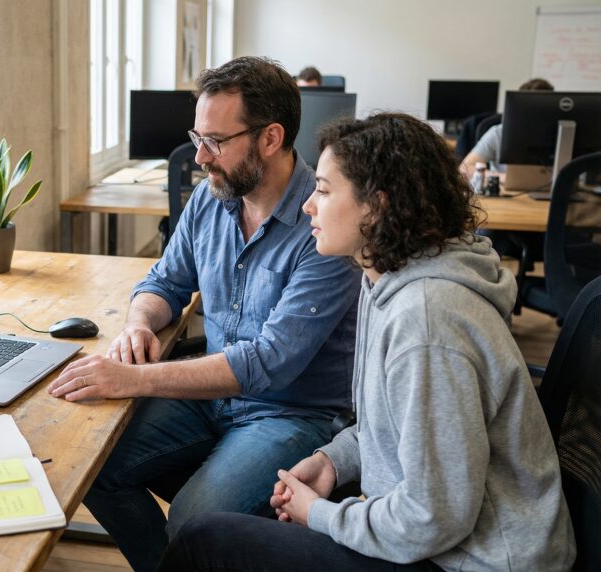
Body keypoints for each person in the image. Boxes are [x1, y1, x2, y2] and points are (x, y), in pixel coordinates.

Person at [156, 113, 577, 572]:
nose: (307, 207)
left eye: (323, 189)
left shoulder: (428, 323)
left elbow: (433, 518)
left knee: (204, 540)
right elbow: (390, 424)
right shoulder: (384, 276)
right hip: (434, 541)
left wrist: (321, 515)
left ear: (376, 206)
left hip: (474, 560)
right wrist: (332, 462)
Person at [47, 56, 361, 572]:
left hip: (290, 412)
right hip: (213, 399)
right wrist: (138, 322)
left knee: (192, 525)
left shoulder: (325, 222)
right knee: (89, 465)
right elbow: (164, 283)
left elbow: (269, 363)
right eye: (197, 136)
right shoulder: (211, 199)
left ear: (270, 138)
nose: (199, 155)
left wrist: (133, 379)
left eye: (215, 141)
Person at [459, 78, 553, 178]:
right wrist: (500, 177)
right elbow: (464, 168)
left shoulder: (563, 137)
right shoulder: (498, 133)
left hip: (552, 192)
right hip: (504, 190)